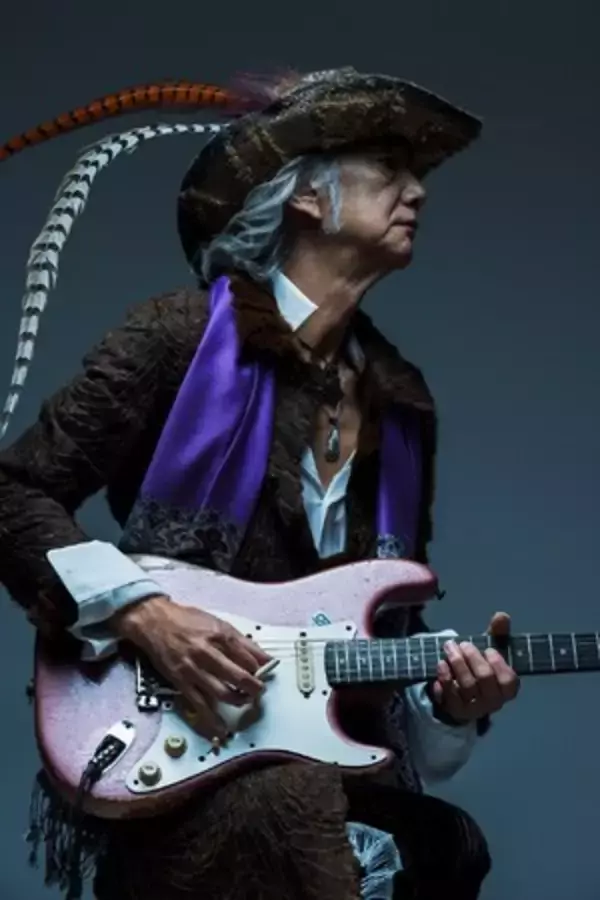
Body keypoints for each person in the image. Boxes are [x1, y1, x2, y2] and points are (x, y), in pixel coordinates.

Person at [0, 67, 520, 900]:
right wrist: (145, 613)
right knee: (293, 809)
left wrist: (453, 705)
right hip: (176, 749)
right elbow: (12, 493)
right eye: (388, 168)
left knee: (445, 845)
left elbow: (382, 634)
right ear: (308, 197)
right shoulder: (177, 337)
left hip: (321, 757)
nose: (417, 190)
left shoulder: (401, 403)